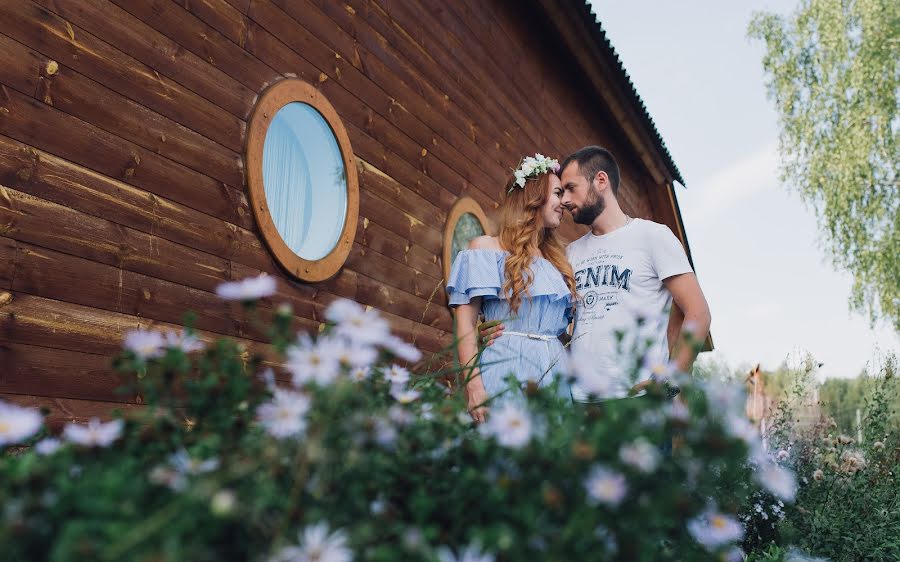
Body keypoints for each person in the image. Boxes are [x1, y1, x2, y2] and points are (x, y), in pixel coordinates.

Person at [482, 146, 711, 402]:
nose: (565, 200)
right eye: (561, 192)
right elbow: (562, 330)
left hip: (639, 400)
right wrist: (508, 332)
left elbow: (697, 312)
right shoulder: (569, 254)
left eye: (571, 188)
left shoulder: (653, 236)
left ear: (600, 180)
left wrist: (672, 381)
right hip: (578, 401)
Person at [447, 154, 577, 423]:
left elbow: (566, 334)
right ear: (533, 194)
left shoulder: (558, 263)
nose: (563, 202)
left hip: (555, 373)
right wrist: (474, 388)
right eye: (557, 193)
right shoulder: (485, 250)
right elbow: (466, 323)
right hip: (505, 365)